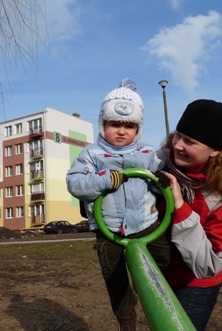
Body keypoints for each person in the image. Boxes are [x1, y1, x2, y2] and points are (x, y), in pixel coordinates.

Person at [66, 78, 171, 331]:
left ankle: (161, 301)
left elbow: (159, 182)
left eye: (129, 125)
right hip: (109, 230)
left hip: (148, 224)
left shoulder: (147, 154)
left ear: (138, 129)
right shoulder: (92, 154)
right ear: (103, 125)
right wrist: (103, 180)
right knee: (115, 278)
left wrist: (162, 180)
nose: (122, 131)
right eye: (115, 124)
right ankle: (126, 318)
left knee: (164, 260)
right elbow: (74, 183)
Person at [158, 99, 222, 330]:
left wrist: (180, 208)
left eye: (190, 141)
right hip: (157, 274)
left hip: (195, 285)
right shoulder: (158, 162)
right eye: (178, 135)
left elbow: (209, 264)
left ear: (214, 151)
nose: (177, 145)